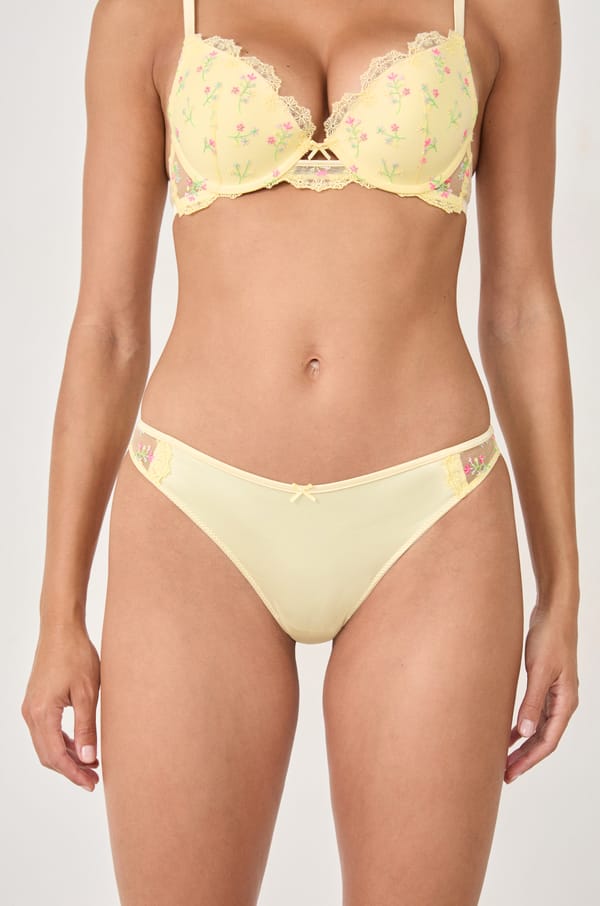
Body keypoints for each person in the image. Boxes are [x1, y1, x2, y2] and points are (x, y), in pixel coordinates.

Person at [21, 0, 580, 903]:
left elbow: (521, 308)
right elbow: (108, 329)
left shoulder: (505, 10)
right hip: (195, 516)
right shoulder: (146, 12)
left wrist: (563, 589)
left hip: (430, 517)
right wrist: (58, 613)